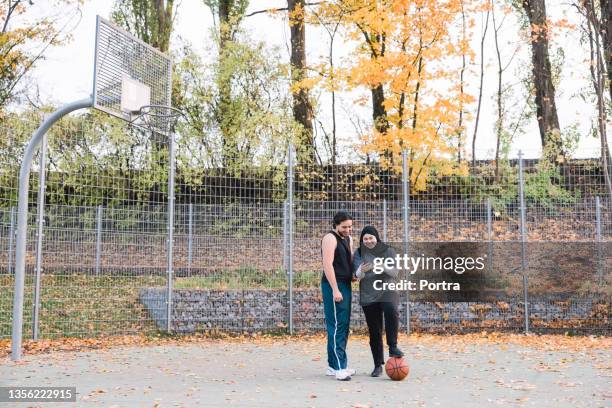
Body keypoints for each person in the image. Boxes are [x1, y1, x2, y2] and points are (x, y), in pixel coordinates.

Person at [353, 225, 404, 377]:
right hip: (369, 294)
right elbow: (355, 276)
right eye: (365, 239)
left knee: (391, 311)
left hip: (387, 290)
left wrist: (380, 266)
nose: (368, 241)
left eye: (371, 238)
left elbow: (395, 272)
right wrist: (361, 270)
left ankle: (393, 346)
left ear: (377, 238)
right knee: (374, 330)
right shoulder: (358, 253)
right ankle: (377, 365)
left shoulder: (388, 251)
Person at [321, 211, 356, 381]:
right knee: (336, 325)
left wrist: (354, 275)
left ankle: (333, 365)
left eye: (350, 226)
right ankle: (340, 368)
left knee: (343, 324)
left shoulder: (348, 238)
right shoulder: (330, 238)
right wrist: (335, 289)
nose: (348, 229)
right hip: (333, 285)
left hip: (346, 284)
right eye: (344, 227)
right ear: (336, 225)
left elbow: (348, 261)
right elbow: (327, 264)